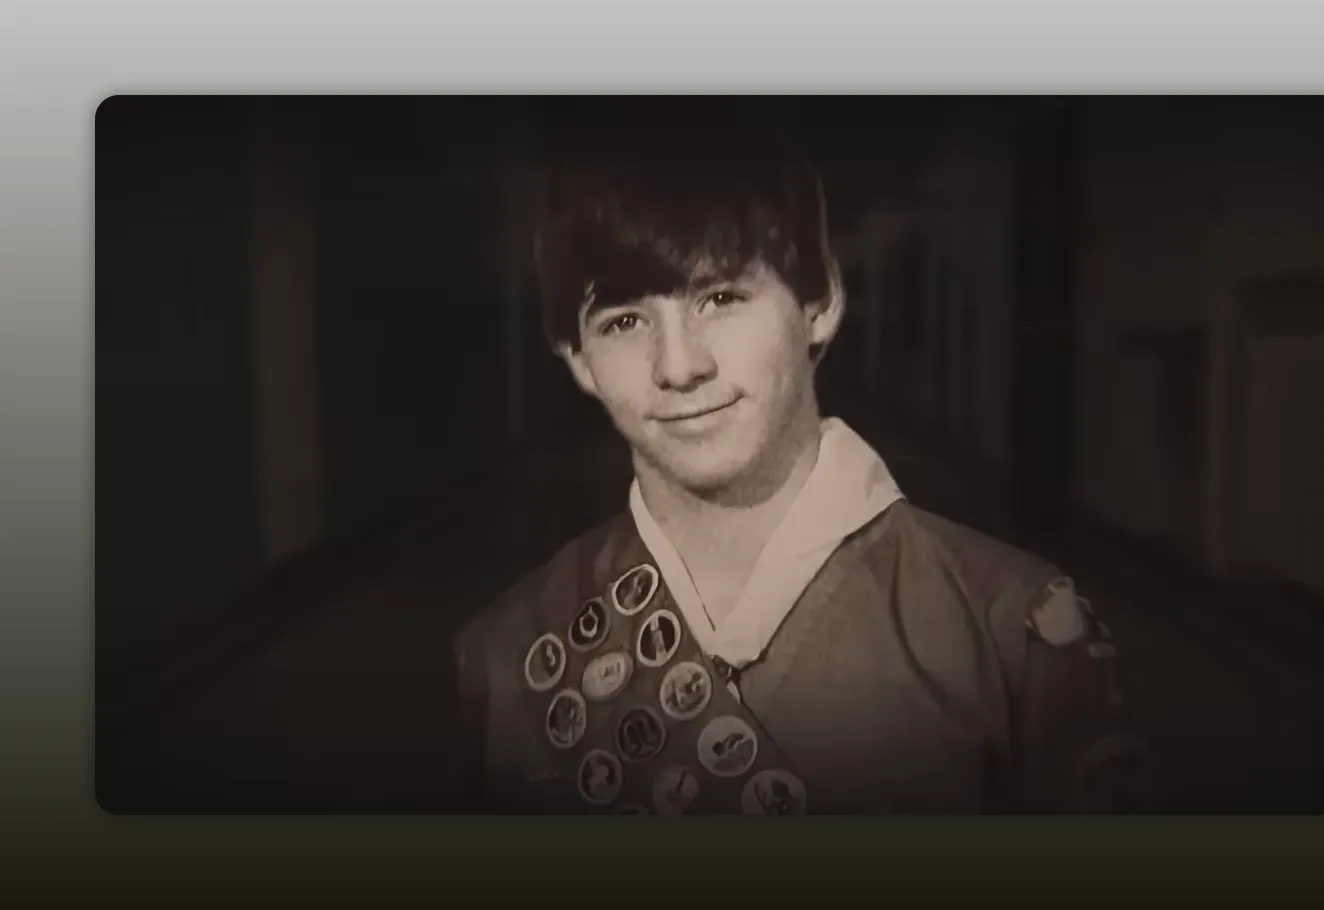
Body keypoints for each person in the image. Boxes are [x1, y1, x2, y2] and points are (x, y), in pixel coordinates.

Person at [451, 122, 1153, 815]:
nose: (679, 366)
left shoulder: (1011, 629)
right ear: (578, 359)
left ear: (820, 305)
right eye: (624, 322)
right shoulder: (509, 652)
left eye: (722, 298)